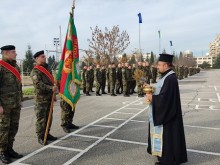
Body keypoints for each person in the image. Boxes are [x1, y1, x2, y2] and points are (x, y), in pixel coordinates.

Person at [146, 54, 187, 165]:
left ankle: (168, 161)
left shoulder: (170, 78)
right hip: (168, 114)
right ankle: (165, 159)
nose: (157, 67)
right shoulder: (167, 77)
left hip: (169, 116)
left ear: (166, 65)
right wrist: (151, 90)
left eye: (159, 65)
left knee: (168, 138)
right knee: (167, 139)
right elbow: (162, 92)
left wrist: (152, 98)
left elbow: (165, 99)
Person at [0, 45, 23, 164]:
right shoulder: (1, 67)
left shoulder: (15, 66)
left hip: (15, 104)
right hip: (5, 105)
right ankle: (2, 152)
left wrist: (20, 100)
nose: (16, 54)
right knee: (4, 129)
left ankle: (10, 149)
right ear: (5, 53)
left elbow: (19, 85)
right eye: (13, 52)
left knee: (13, 128)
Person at [30, 50, 58, 145]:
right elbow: (39, 85)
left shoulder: (47, 69)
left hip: (49, 98)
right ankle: (41, 136)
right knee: (41, 119)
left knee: (49, 118)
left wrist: (53, 91)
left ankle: (47, 133)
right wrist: (51, 88)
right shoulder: (35, 71)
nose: (45, 57)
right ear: (37, 59)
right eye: (42, 56)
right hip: (41, 100)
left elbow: (50, 82)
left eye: (44, 56)